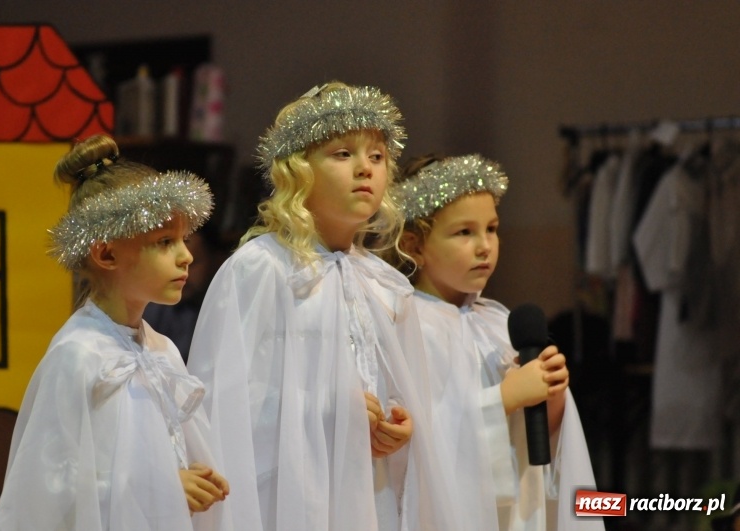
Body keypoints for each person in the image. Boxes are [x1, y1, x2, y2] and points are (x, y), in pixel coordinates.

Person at [187, 82, 459, 531]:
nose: (365, 170)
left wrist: (399, 426)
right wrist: (329, 411)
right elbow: (227, 407)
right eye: (342, 154)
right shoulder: (262, 270)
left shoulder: (386, 284)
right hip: (295, 499)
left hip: (370, 495)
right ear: (299, 170)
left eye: (376, 157)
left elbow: (404, 391)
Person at [0, 135, 230, 530]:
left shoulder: (162, 351)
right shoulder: (79, 356)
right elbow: (50, 491)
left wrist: (197, 476)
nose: (186, 255)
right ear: (106, 254)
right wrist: (162, 489)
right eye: (164, 241)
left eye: (183, 240)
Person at [387, 153, 604, 530]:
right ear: (414, 246)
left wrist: (551, 398)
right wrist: (502, 400)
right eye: (464, 232)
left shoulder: (500, 321)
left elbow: (544, 442)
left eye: (492, 228)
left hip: (520, 512)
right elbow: (419, 445)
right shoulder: (406, 325)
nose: (484, 246)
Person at [144, 222, 232, 362]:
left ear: (217, 260)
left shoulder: (229, 312)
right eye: (175, 263)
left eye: (192, 264)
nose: (183, 273)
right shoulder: (153, 306)